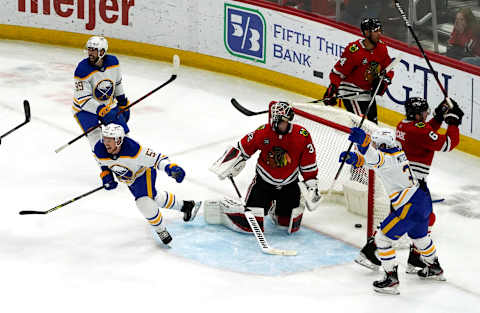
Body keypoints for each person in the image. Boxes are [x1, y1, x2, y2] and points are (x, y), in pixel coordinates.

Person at [355, 97, 463, 273]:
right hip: (412, 187)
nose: (426, 114)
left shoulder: (404, 125)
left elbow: (426, 132)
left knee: (418, 220)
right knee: (409, 222)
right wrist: (453, 122)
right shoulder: (419, 131)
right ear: (418, 115)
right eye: (425, 112)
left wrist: (438, 116)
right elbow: (446, 144)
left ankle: (412, 258)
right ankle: (372, 253)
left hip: (403, 182)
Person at [340, 127, 447, 295]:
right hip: (422, 200)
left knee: (382, 239)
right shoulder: (396, 153)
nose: (374, 144)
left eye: (376, 143)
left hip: (409, 206)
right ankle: (434, 267)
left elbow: (375, 158)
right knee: (420, 237)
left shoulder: (385, 158)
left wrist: (363, 143)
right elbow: (377, 162)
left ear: (382, 144)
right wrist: (356, 159)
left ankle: (391, 279)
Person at [206, 101, 320, 234]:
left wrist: (312, 186)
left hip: (289, 184)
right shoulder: (263, 132)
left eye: (285, 121)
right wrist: (228, 164)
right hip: (263, 184)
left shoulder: (302, 135)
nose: (283, 124)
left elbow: (308, 163)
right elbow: (242, 149)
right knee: (251, 223)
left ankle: (277, 208)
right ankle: (235, 208)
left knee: (287, 225)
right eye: (280, 121)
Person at [93, 123, 201, 245]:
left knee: (144, 202)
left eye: (110, 140)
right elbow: (101, 162)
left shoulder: (134, 150)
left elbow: (158, 159)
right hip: (130, 179)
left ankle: (160, 229)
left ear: (119, 140)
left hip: (144, 173)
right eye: (105, 138)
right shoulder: (99, 149)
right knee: (154, 198)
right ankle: (186, 206)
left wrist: (170, 168)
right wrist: (106, 174)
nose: (106, 143)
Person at [323, 17, 394, 124]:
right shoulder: (353, 51)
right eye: (376, 31)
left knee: (373, 127)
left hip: (368, 93)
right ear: (366, 32)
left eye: (380, 30)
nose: (379, 34)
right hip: (351, 92)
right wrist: (332, 89)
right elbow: (337, 73)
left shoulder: (382, 48)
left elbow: (388, 68)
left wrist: (385, 80)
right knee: (363, 127)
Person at [73, 36, 131, 150]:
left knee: (123, 136)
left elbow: (117, 83)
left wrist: (122, 102)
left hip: (108, 106)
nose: (90, 53)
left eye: (93, 50)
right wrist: (100, 110)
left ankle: (129, 164)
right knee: (96, 141)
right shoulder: (82, 69)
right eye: (89, 49)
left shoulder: (113, 62)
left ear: (102, 51)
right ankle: (104, 166)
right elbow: (83, 100)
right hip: (85, 109)